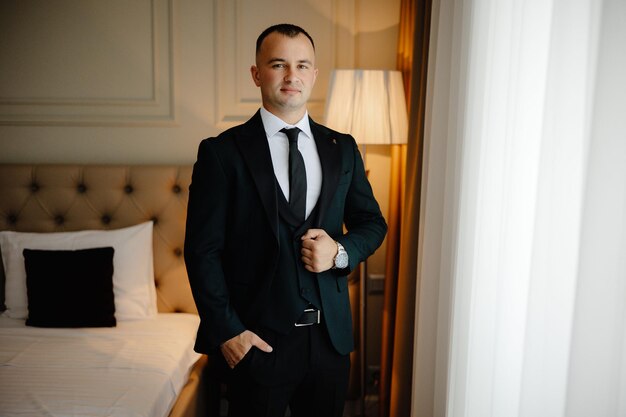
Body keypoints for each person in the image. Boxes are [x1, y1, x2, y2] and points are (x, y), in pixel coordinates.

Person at [184, 23, 387, 417]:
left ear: (313, 74)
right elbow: (201, 251)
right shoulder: (221, 153)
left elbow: (372, 222)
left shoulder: (342, 148)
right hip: (256, 343)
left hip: (330, 343)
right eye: (278, 64)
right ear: (257, 74)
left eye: (301, 65)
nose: (291, 76)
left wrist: (341, 251)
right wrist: (229, 334)